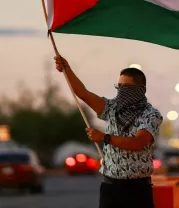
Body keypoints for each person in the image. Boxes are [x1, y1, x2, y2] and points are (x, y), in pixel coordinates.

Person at [54, 55, 163, 208]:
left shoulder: (151, 115)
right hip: (111, 188)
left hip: (138, 190)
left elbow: (138, 142)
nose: (121, 92)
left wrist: (105, 138)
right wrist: (67, 69)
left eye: (126, 87)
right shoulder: (111, 108)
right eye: (119, 86)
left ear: (140, 90)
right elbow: (84, 94)